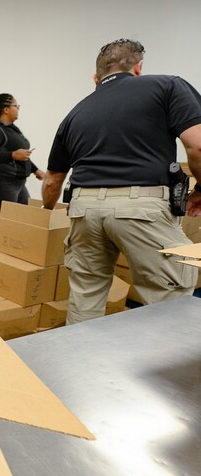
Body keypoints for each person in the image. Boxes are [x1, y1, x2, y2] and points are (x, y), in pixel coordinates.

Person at [41, 39, 201, 324]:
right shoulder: (167, 86)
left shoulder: (76, 112)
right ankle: (163, 366)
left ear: (96, 77)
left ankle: (81, 364)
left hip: (83, 208)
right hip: (141, 206)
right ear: (138, 68)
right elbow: (197, 146)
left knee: (85, 296)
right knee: (169, 296)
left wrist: (46, 211)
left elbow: (53, 180)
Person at [0, 94, 45, 214]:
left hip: (18, 183)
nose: (18, 109)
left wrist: (36, 170)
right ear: (6, 109)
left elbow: (21, 155)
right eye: (16, 106)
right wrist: (12, 155)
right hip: (1, 183)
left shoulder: (13, 129)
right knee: (5, 222)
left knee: (25, 218)